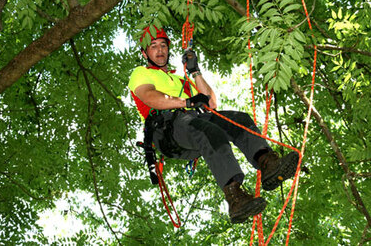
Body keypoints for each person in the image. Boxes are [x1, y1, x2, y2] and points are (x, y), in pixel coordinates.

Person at [128, 26, 299, 224]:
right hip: (167, 129)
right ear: (144, 52)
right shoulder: (141, 73)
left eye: (163, 45)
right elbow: (150, 97)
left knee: (239, 120)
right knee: (208, 130)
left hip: (193, 122)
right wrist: (186, 102)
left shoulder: (180, 80)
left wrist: (195, 71)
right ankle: (235, 197)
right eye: (153, 46)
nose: (160, 50)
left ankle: (267, 163)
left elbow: (211, 104)